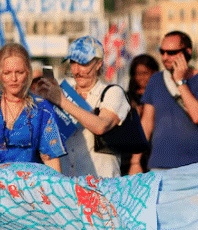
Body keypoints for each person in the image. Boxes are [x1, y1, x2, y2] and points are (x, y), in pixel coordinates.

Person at [31, 36, 130, 178]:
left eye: (83, 63)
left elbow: (101, 126)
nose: (77, 70)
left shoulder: (112, 92)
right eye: (73, 63)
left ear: (98, 64)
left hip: (102, 182)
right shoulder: (63, 92)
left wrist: (62, 101)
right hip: (69, 182)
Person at [0, 42, 65, 169]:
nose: (13, 78)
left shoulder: (42, 108)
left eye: (19, 72)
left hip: (27, 181)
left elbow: (50, 158)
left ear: (28, 73)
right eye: (7, 73)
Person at [142, 31, 198, 170]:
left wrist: (180, 82)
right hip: (159, 165)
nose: (165, 57)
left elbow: (197, 115)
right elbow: (146, 123)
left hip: (194, 166)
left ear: (187, 52)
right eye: (162, 52)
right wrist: (135, 161)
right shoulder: (156, 80)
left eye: (171, 52)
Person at [125, 53, 158, 174]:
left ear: (154, 73)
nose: (141, 78)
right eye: (137, 73)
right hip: (132, 153)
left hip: (155, 150)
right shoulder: (127, 97)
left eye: (145, 73)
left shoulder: (160, 95)